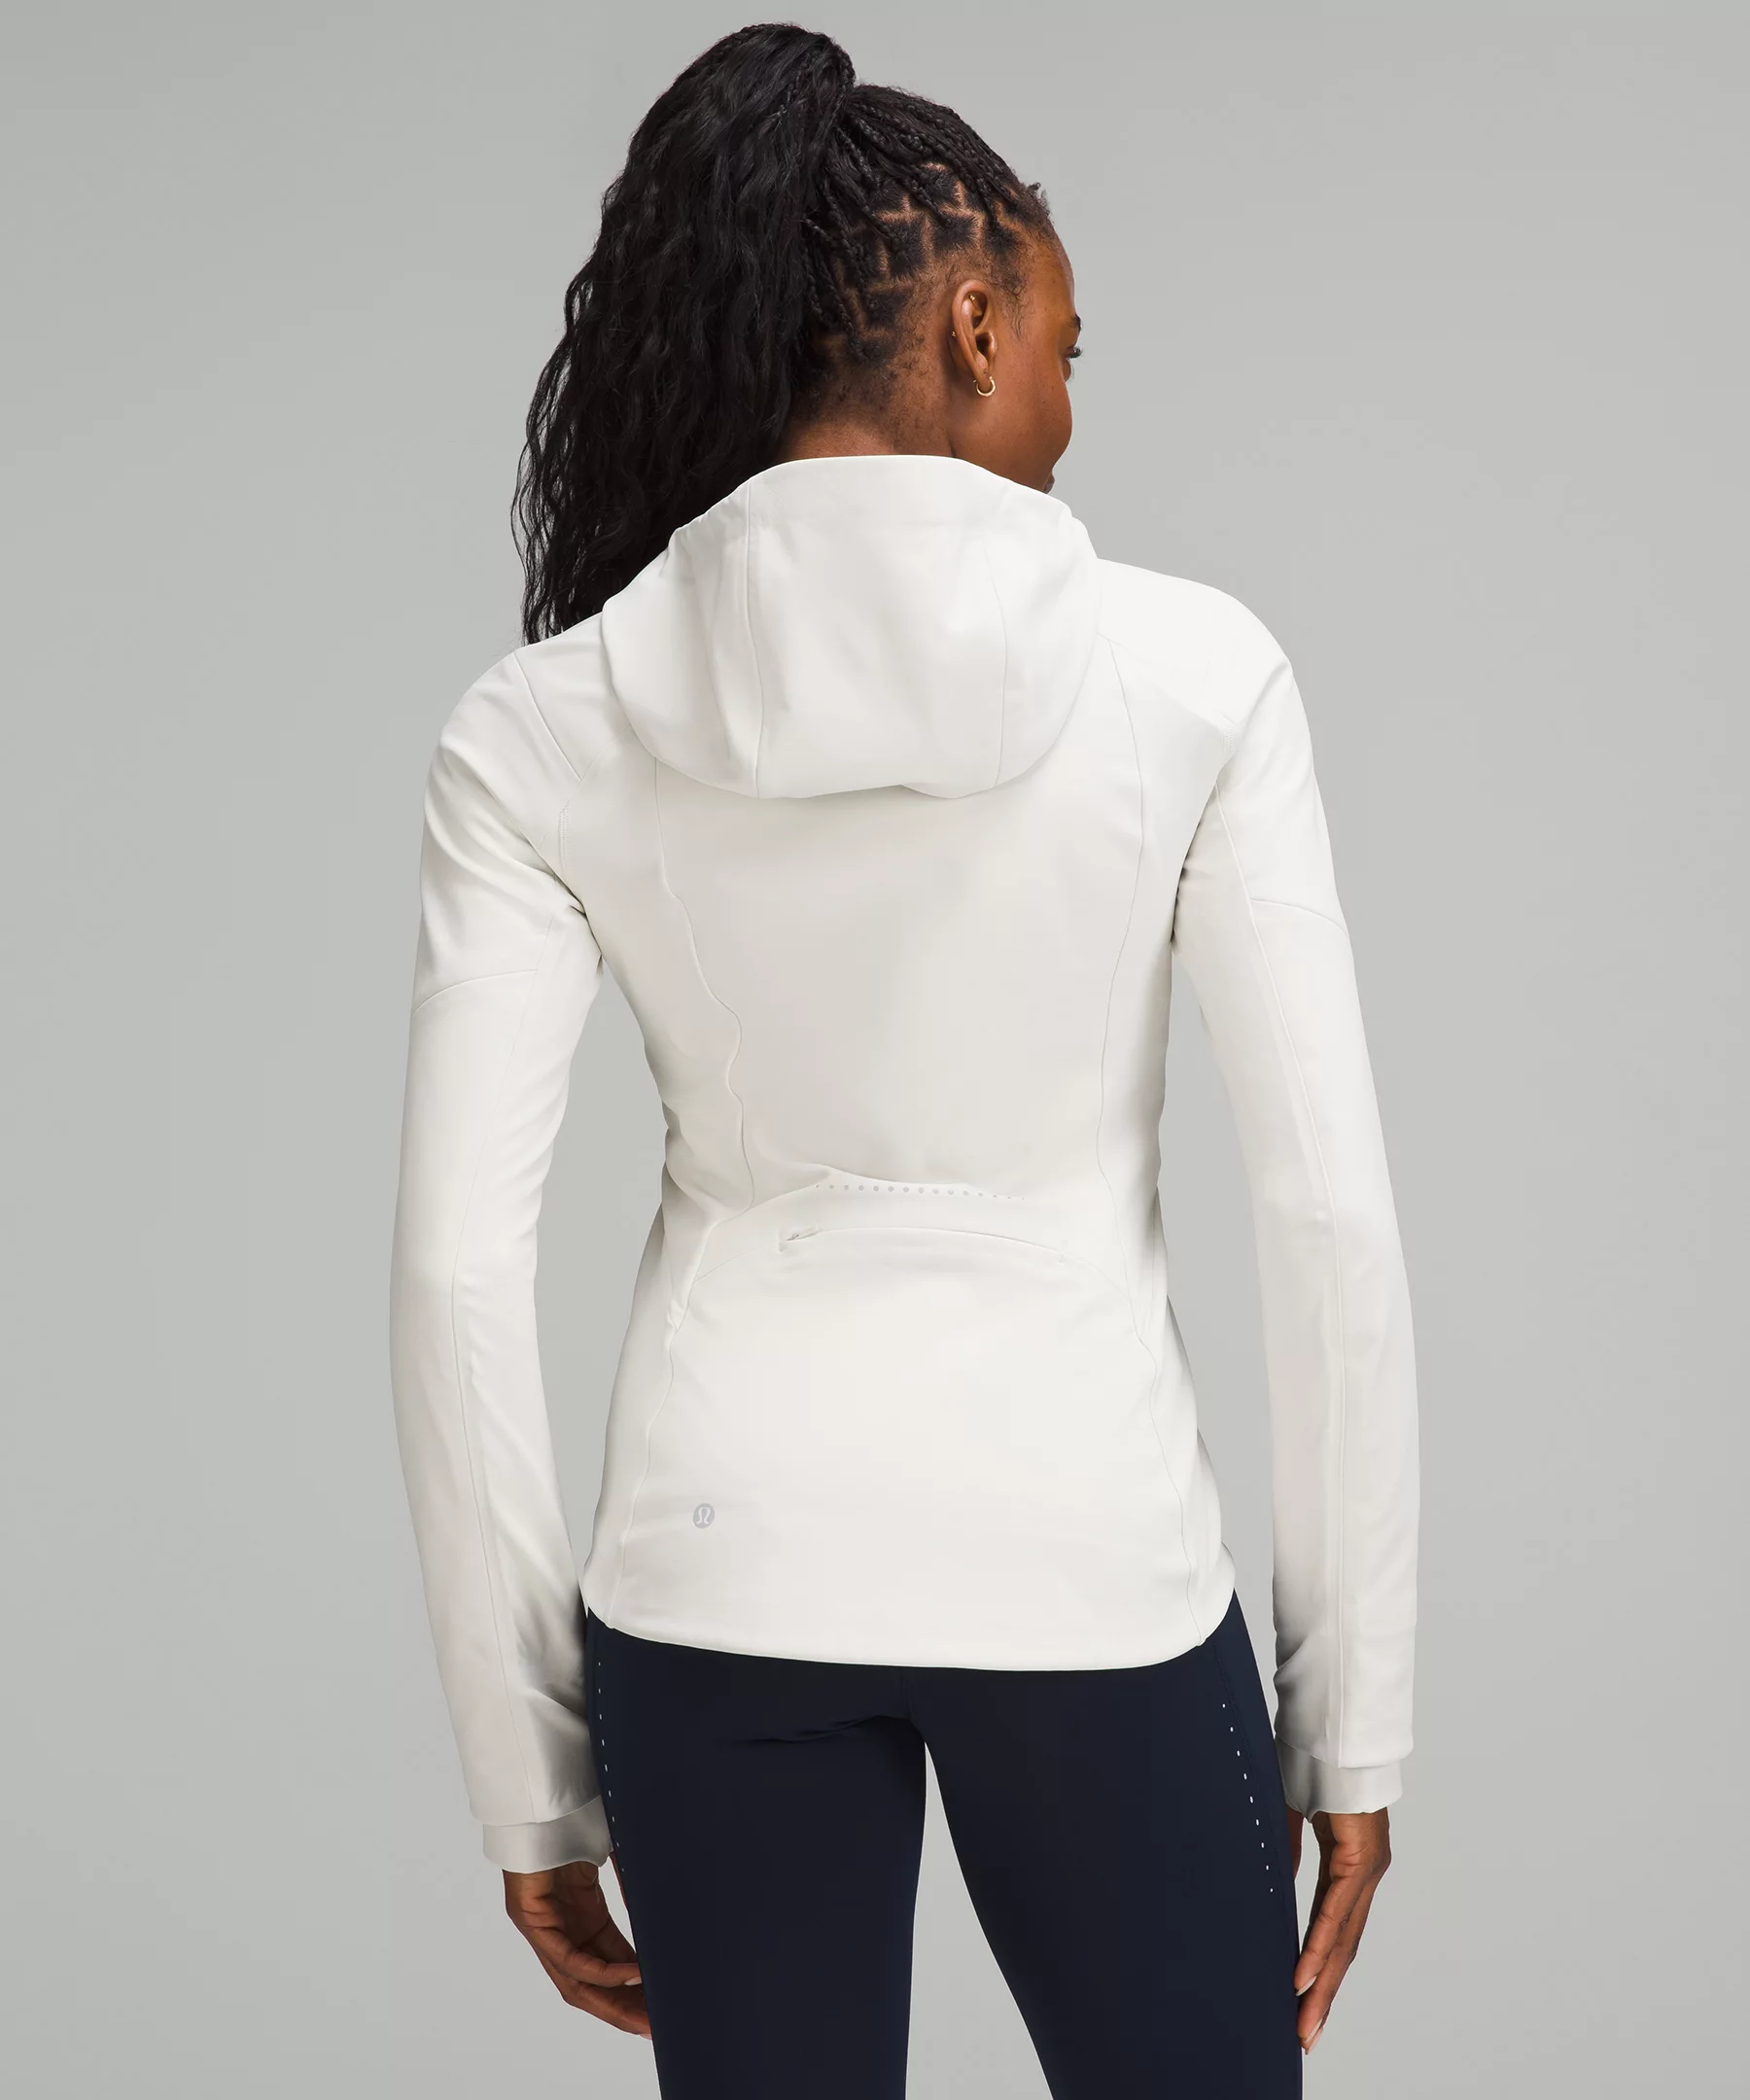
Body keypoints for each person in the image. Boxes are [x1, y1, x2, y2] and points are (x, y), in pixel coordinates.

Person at [387, 22, 1419, 2098]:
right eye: (1063, 345)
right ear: (972, 324)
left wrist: (529, 1777)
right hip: (1095, 1566)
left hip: (717, 1579)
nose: (1067, 402)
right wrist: (1356, 1721)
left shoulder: (544, 724)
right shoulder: (1199, 677)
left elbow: (453, 1276)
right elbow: (1323, 1218)